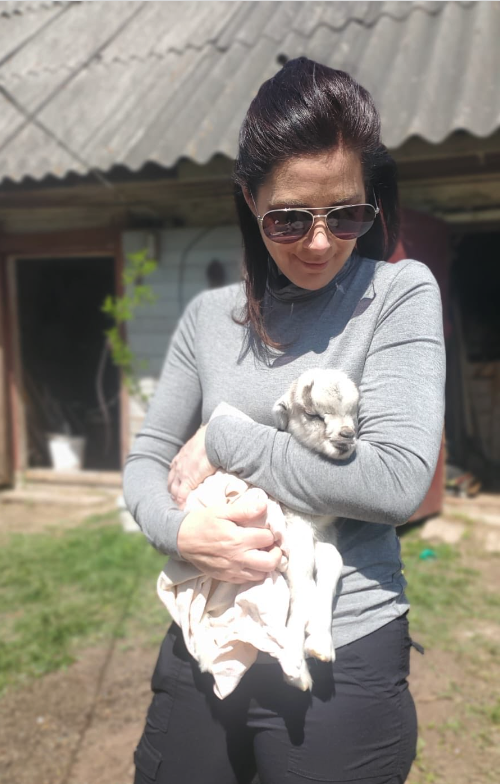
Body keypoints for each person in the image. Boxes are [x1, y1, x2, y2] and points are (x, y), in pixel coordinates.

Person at [123, 57, 445, 784]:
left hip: (341, 644)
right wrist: (179, 531)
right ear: (248, 200)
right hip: (209, 637)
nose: (324, 242)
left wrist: (229, 434)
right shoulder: (209, 320)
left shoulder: (396, 295)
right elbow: (145, 463)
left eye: (349, 214)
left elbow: (393, 482)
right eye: (290, 218)